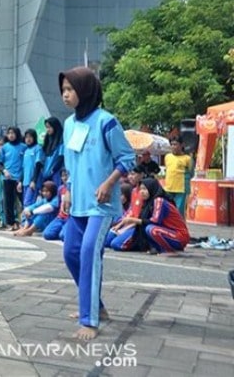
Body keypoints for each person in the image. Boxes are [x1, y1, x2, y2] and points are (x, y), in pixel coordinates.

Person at [60, 66, 135, 340]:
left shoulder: (107, 121)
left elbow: (127, 158)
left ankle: (89, 319)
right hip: (77, 202)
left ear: (86, 90)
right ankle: (95, 304)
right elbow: (68, 164)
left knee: (89, 252)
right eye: (64, 90)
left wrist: (109, 182)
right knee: (70, 253)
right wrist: (66, 191)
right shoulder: (69, 125)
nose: (65, 95)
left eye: (70, 89)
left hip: (101, 206)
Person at [118, 178, 190, 254]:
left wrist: (133, 220)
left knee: (151, 229)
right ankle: (157, 248)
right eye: (141, 189)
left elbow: (155, 221)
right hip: (166, 233)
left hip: (179, 236)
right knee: (148, 228)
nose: (142, 192)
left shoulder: (159, 200)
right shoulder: (148, 202)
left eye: (145, 189)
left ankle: (168, 251)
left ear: (151, 188)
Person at [0, 127, 26, 231]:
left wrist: (21, 179)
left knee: (23, 201)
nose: (11, 135)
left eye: (13, 133)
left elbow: (26, 164)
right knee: (8, 202)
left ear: (17, 134)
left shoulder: (24, 147)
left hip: (20, 179)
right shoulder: (4, 148)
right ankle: (11, 223)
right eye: (9, 133)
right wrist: (4, 171)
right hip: (7, 178)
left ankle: (25, 222)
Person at [163, 138, 192, 218]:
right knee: (168, 210)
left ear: (181, 145)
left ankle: (180, 229)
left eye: (175, 144)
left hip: (181, 189)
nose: (173, 147)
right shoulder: (167, 157)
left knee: (179, 211)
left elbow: (191, 173)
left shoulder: (187, 159)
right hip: (169, 188)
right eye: (171, 145)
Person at [21, 128, 44, 207]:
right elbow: (24, 168)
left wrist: (34, 181)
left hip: (34, 182)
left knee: (28, 204)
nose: (28, 139)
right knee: (25, 204)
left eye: (30, 137)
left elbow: (38, 164)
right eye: (26, 137)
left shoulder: (38, 148)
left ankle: (28, 220)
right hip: (25, 182)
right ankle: (27, 220)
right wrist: (20, 182)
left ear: (34, 137)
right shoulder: (26, 151)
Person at [42, 117, 64, 187]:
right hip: (46, 174)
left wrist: (53, 170)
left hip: (56, 173)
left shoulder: (61, 139)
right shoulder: (47, 140)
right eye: (46, 127)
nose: (47, 130)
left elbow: (61, 157)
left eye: (49, 127)